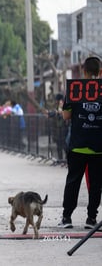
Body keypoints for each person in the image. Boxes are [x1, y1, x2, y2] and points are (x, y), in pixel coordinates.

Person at [58, 56, 102, 229]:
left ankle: (67, 218)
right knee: (96, 184)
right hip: (98, 147)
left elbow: (66, 116)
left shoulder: (74, 90)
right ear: (99, 72)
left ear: (83, 71)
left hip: (77, 145)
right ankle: (91, 219)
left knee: (73, 181)